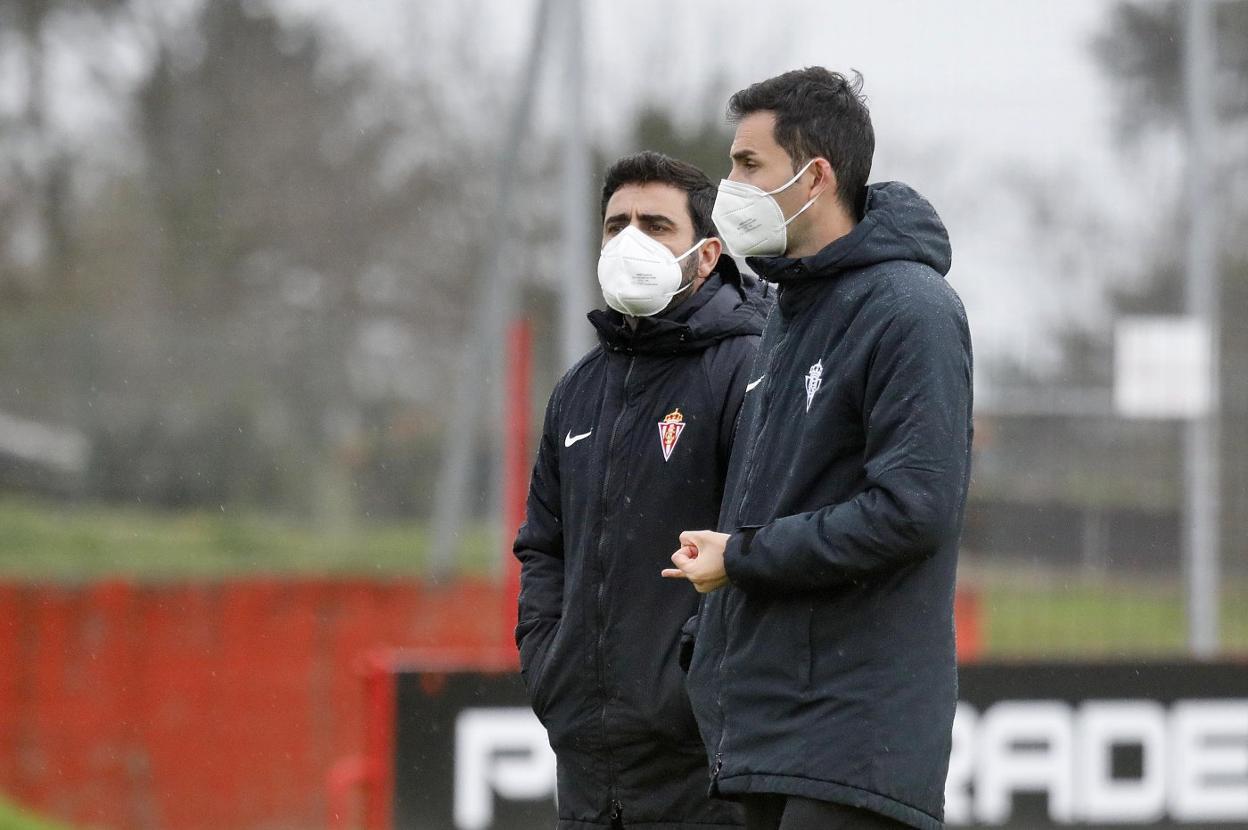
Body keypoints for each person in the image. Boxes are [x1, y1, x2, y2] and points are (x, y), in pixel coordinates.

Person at [662, 68, 973, 830]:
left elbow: (912, 511)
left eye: (748, 164)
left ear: (816, 176)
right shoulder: (788, 315)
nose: (729, 184)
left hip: (853, 742)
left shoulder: (911, 310)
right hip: (772, 733)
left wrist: (745, 556)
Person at [514, 151, 769, 829]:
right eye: (616, 224)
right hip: (588, 765)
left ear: (707, 254)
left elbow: (763, 545)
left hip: (702, 770)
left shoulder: (747, 371)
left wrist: (689, 689)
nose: (631, 241)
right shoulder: (578, 388)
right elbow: (543, 545)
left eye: (656, 225)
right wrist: (550, 666)